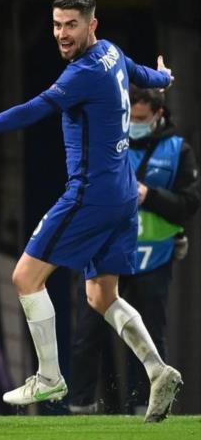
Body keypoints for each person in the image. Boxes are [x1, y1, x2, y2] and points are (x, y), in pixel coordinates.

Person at [0, 0, 182, 423]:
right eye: (57, 24)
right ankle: (158, 371)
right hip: (121, 194)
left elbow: (29, 111)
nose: (62, 34)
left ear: (91, 24)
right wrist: (164, 78)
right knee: (102, 295)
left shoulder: (80, 74)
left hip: (91, 194)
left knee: (25, 277)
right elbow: (141, 72)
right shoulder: (112, 53)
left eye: (71, 25)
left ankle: (48, 376)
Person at [69, 87, 199, 414]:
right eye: (132, 118)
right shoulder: (108, 143)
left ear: (159, 114)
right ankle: (80, 410)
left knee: (149, 337)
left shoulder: (178, 150)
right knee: (87, 333)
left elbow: (189, 204)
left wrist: (149, 196)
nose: (135, 124)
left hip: (153, 259)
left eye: (142, 119)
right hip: (108, 255)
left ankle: (147, 408)